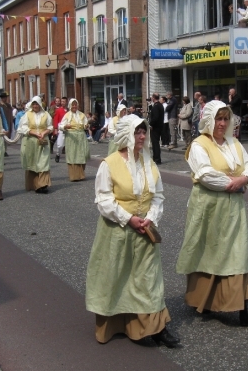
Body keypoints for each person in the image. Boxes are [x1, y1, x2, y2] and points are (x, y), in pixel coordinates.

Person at [85, 115, 179, 347]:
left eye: (144, 132)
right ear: (127, 134)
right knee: (118, 277)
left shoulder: (149, 162)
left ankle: (156, 327)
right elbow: (103, 199)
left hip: (145, 230)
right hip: (117, 230)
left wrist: (150, 218)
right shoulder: (110, 164)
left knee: (148, 278)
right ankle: (119, 324)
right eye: (137, 132)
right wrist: (128, 219)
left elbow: (157, 195)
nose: (142, 136)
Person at [176, 101, 248, 327]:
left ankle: (245, 308)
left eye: (226, 119)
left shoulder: (233, 143)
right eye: (218, 119)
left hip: (233, 208)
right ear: (209, 120)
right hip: (209, 207)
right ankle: (204, 299)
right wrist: (234, 183)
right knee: (209, 254)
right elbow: (205, 174)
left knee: (237, 252)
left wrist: (244, 179)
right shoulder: (199, 145)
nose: (222, 124)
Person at [17, 96, 53, 193]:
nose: (35, 106)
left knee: (43, 162)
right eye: (33, 104)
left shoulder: (46, 114)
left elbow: (50, 126)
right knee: (33, 162)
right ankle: (34, 184)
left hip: (43, 141)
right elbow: (22, 128)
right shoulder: (27, 115)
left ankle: (42, 184)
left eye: (37, 104)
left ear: (40, 104)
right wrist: (34, 133)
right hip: (31, 141)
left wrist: (44, 133)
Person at [59, 98, 90, 182]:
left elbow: (85, 124)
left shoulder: (82, 115)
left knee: (82, 154)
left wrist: (86, 126)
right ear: (70, 105)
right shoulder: (67, 115)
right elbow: (60, 126)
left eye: (75, 104)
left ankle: (81, 174)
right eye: (73, 104)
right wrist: (65, 127)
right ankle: (74, 176)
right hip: (71, 137)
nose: (74, 106)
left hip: (81, 136)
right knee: (73, 155)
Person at [149, 93, 164, 165]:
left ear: (154, 98)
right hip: (160, 126)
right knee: (156, 143)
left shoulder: (156, 106)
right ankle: (156, 157)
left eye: (152, 97)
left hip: (155, 127)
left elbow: (155, 117)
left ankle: (157, 158)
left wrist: (150, 124)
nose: (151, 98)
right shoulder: (160, 105)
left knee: (155, 143)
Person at [53, 97, 68, 163]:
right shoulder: (58, 110)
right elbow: (55, 120)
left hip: (68, 129)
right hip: (61, 128)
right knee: (60, 144)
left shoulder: (69, 110)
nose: (62, 103)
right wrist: (55, 128)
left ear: (66, 102)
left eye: (64, 101)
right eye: (61, 101)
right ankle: (58, 154)